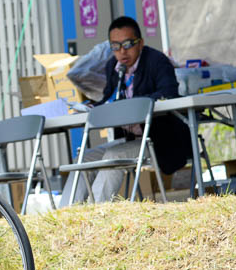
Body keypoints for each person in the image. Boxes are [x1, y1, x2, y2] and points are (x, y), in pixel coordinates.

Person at [59, 16, 191, 206]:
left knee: (114, 156)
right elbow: (109, 99)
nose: (122, 52)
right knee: (83, 158)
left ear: (140, 43)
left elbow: (168, 93)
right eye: (115, 46)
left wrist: (133, 105)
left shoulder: (157, 61)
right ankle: (66, 214)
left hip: (159, 140)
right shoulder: (114, 68)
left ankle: (95, 214)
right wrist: (93, 108)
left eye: (128, 44)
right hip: (130, 140)